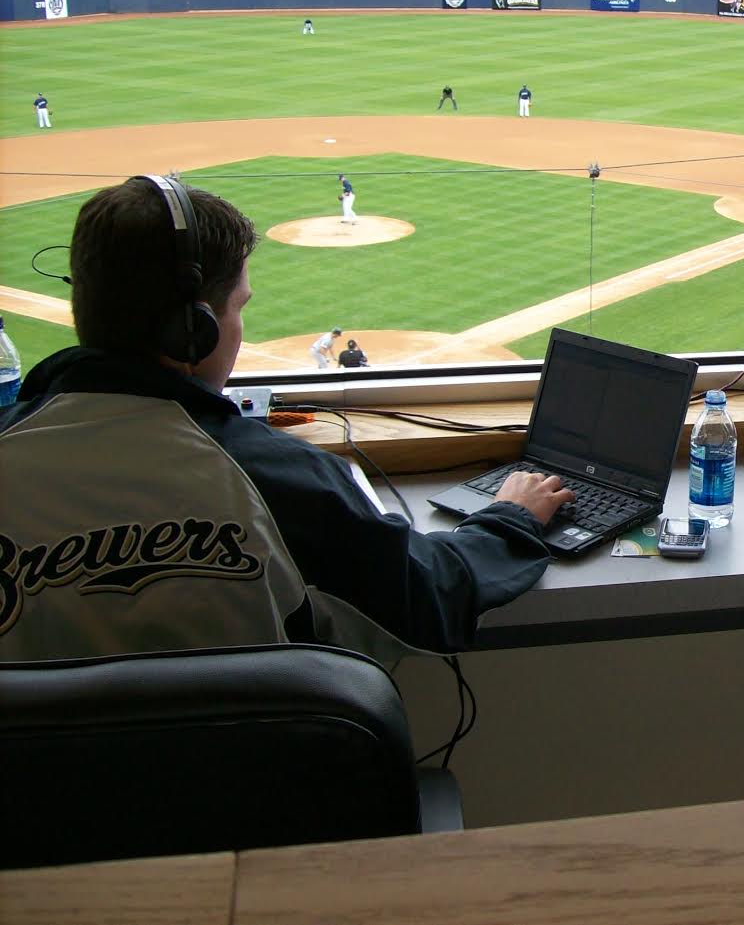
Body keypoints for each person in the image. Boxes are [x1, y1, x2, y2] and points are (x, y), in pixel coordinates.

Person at [0, 176, 572, 663]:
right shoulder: (272, 476)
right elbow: (432, 595)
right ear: (192, 331)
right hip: (248, 761)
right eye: (238, 306)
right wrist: (510, 518)